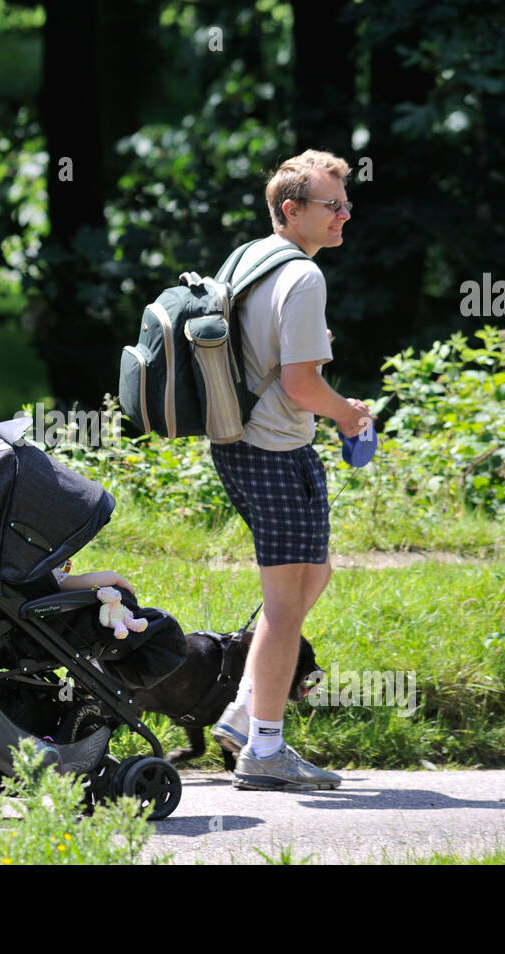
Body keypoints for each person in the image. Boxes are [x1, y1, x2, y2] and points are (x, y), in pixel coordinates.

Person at [208, 151, 373, 791]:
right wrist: (346, 415)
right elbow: (303, 386)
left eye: (345, 203)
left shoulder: (249, 256)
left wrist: (328, 409)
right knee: (284, 606)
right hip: (277, 450)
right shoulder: (303, 278)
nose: (344, 215)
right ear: (291, 210)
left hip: (237, 443)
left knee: (315, 572)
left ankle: (245, 710)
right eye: (332, 205)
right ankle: (265, 750)